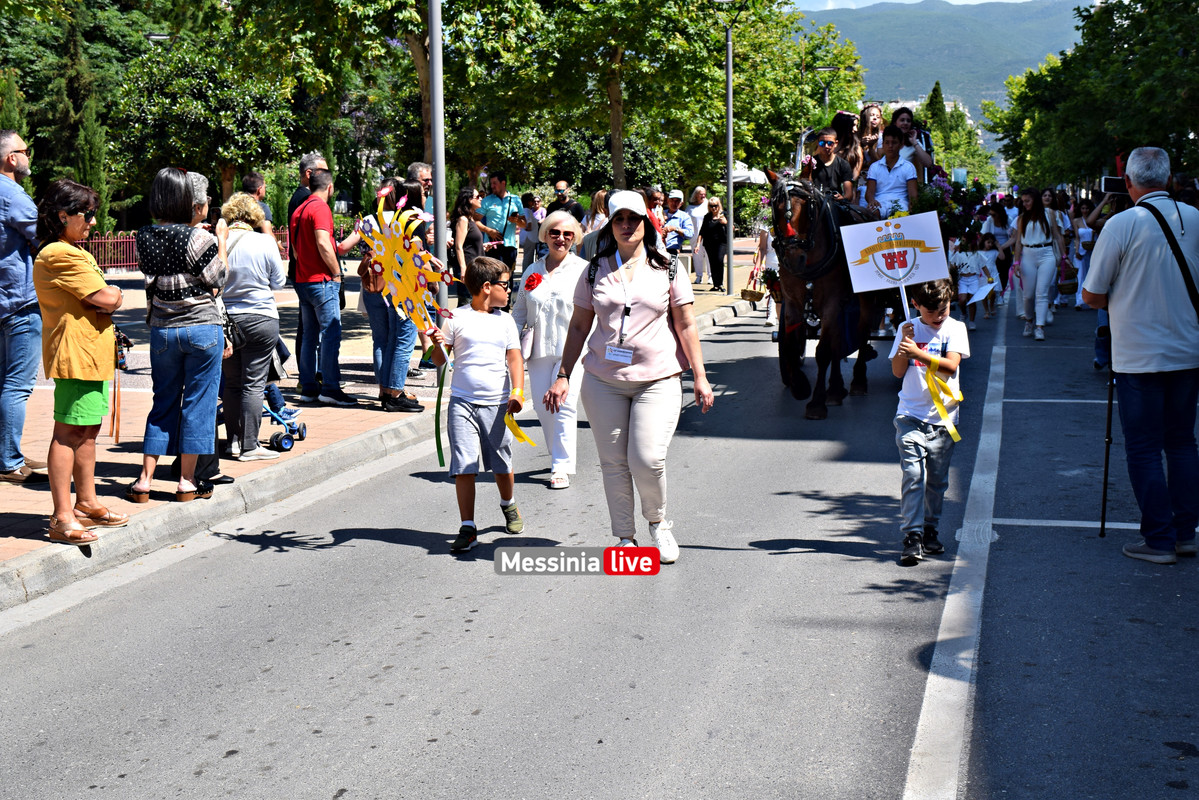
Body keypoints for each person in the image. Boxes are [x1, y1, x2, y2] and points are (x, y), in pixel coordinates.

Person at [544, 190, 715, 563]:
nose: (625, 226)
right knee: (613, 462)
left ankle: (658, 522)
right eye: (619, 219)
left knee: (647, 458)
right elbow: (577, 328)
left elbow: (686, 324)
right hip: (604, 380)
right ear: (611, 224)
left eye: (632, 220)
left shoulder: (668, 266)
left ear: (645, 224)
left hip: (658, 377)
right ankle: (625, 538)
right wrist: (562, 375)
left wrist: (700, 376)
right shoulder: (594, 268)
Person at [1082, 147, 1199, 565]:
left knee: (1145, 447)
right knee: (1183, 443)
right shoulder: (1197, 218)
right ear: (1168, 180)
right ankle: (1186, 533)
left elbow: (1092, 294)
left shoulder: (1122, 224)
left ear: (1128, 184)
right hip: (1189, 351)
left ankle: (1160, 540)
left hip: (1138, 356)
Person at [32, 179, 126, 544]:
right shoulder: (59, 253)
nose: (93, 222)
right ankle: (61, 517)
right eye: (86, 215)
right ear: (62, 215)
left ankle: (86, 503)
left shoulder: (72, 250)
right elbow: (104, 296)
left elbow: (101, 298)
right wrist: (113, 295)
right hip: (75, 355)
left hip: (90, 354)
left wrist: (108, 298)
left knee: (87, 432)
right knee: (68, 433)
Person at [127, 168, 228, 504]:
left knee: (163, 402)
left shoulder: (144, 236)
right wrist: (222, 243)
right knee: (199, 405)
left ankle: (144, 479)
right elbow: (219, 278)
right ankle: (186, 481)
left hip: (162, 330)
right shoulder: (200, 238)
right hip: (202, 327)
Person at [428, 256, 526, 553]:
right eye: (506, 285)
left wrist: (518, 392)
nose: (509, 291)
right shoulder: (455, 318)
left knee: (501, 463)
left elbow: (514, 358)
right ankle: (467, 527)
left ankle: (508, 504)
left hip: (498, 405)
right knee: (465, 466)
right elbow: (439, 361)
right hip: (463, 404)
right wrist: (436, 343)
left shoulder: (505, 320)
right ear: (487, 287)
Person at [889, 279, 970, 566]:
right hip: (910, 415)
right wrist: (902, 346)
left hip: (943, 419)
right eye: (931, 311)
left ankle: (929, 529)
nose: (938, 316)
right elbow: (898, 372)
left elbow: (950, 367)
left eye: (944, 309)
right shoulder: (907, 328)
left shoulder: (955, 328)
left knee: (936, 482)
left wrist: (919, 352)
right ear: (915, 305)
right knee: (914, 476)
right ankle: (911, 536)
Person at [510, 210, 587, 489]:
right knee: (546, 409)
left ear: (575, 238)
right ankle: (558, 455)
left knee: (563, 406)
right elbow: (520, 310)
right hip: (538, 350)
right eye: (554, 232)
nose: (561, 238)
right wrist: (508, 343)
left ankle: (560, 467)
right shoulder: (533, 271)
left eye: (567, 234)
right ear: (545, 235)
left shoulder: (583, 270)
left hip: (573, 350)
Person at [220, 192, 287, 459]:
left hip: (227, 321)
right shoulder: (264, 242)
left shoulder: (219, 242)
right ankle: (250, 445)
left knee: (232, 383)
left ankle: (233, 442)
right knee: (253, 384)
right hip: (260, 317)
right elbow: (278, 282)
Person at [0, 129, 48, 484]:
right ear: (10, 158)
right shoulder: (13, 195)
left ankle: (6, 450)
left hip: (4, 300)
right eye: (24, 150)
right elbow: (43, 236)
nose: (28, 155)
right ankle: (9, 460)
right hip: (19, 300)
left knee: (4, 382)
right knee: (17, 385)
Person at [292, 167, 358, 406]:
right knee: (330, 334)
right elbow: (323, 242)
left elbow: (297, 251)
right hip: (321, 280)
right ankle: (330, 387)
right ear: (329, 188)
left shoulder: (300, 209)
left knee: (309, 336)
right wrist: (336, 273)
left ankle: (308, 387)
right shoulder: (320, 208)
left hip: (303, 280)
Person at [359, 179, 424, 412]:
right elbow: (416, 254)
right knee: (403, 340)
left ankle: (386, 392)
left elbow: (348, 246)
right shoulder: (407, 220)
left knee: (385, 341)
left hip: (377, 285)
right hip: (402, 286)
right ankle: (395, 393)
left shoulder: (369, 220)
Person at [1011, 187, 1066, 341]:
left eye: (1027, 201)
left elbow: (1057, 236)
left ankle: (1039, 327)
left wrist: (1063, 255)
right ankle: (1029, 320)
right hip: (1028, 255)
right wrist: (1016, 262)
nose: (1025, 204)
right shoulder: (1022, 218)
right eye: (1023, 201)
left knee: (1042, 293)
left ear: (1035, 200)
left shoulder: (1050, 214)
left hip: (1046, 254)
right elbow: (1018, 243)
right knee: (1028, 295)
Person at [866, 125, 919, 218]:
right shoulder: (874, 167)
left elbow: (913, 195)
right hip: (880, 204)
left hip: (901, 204)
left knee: (902, 216)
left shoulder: (908, 167)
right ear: (882, 144)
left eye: (894, 143)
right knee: (870, 214)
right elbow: (869, 192)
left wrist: (912, 209)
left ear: (901, 144)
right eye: (887, 142)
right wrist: (871, 200)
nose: (890, 146)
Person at [478, 171, 524, 270]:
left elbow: (525, 224)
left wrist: (517, 220)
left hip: (510, 246)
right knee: (493, 277)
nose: (492, 186)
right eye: (491, 184)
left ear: (503, 183)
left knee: (508, 277)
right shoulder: (486, 201)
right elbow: (475, 221)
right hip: (491, 246)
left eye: (495, 183)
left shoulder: (515, 200)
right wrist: (489, 231)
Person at [451, 186, 484, 307]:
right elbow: (458, 246)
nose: (480, 199)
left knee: (473, 303)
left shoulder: (470, 219)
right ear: (469, 200)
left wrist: (483, 246)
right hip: (468, 268)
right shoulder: (463, 220)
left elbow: (468, 243)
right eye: (477, 196)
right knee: (467, 304)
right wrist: (463, 269)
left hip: (475, 267)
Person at [808, 127, 854, 200]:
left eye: (830, 143)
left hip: (835, 203)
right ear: (817, 143)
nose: (826, 146)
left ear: (836, 143)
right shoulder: (810, 163)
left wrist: (842, 198)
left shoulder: (843, 164)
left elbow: (849, 194)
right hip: (815, 201)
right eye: (822, 143)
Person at [695, 195, 728, 292]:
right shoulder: (707, 217)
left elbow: (732, 228)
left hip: (721, 243)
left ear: (719, 205)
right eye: (711, 206)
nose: (714, 208)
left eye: (716, 205)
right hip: (709, 243)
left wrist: (725, 223)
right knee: (712, 263)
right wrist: (697, 245)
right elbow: (702, 231)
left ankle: (720, 283)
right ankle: (716, 284)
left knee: (719, 260)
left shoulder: (724, 214)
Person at [891, 107, 934, 180]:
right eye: (902, 120)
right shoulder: (886, 142)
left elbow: (928, 163)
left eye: (908, 121)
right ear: (895, 122)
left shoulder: (913, 144)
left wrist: (915, 143)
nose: (905, 123)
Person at [660, 189, 694, 263]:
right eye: (672, 200)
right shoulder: (661, 213)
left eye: (677, 201)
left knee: (671, 274)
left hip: (672, 250)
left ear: (681, 203)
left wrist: (675, 229)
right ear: (668, 201)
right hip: (658, 249)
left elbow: (690, 233)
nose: (674, 203)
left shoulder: (684, 216)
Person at [830, 111, 864, 183]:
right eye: (853, 126)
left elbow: (855, 175)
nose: (855, 129)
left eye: (856, 126)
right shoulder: (828, 145)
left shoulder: (856, 148)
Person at [686, 186, 710, 284]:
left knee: (709, 256)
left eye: (704, 193)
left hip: (707, 235)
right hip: (695, 236)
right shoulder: (690, 207)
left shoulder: (708, 205)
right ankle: (699, 276)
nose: (703, 195)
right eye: (701, 194)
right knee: (697, 256)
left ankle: (710, 276)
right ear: (696, 195)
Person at [241, 171, 274, 236]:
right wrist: (277, 244)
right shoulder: (262, 207)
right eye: (265, 187)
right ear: (259, 189)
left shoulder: (234, 207)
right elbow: (268, 234)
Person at [519, 191, 545, 271]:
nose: (533, 202)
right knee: (528, 257)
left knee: (529, 257)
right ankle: (526, 273)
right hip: (529, 238)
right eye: (531, 200)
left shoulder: (526, 210)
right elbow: (528, 224)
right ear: (528, 201)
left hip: (530, 237)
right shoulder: (527, 210)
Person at [859, 103, 885, 171]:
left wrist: (871, 147)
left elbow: (879, 162)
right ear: (865, 116)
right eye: (872, 115)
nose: (875, 118)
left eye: (878, 117)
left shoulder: (881, 138)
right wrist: (860, 144)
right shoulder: (855, 135)